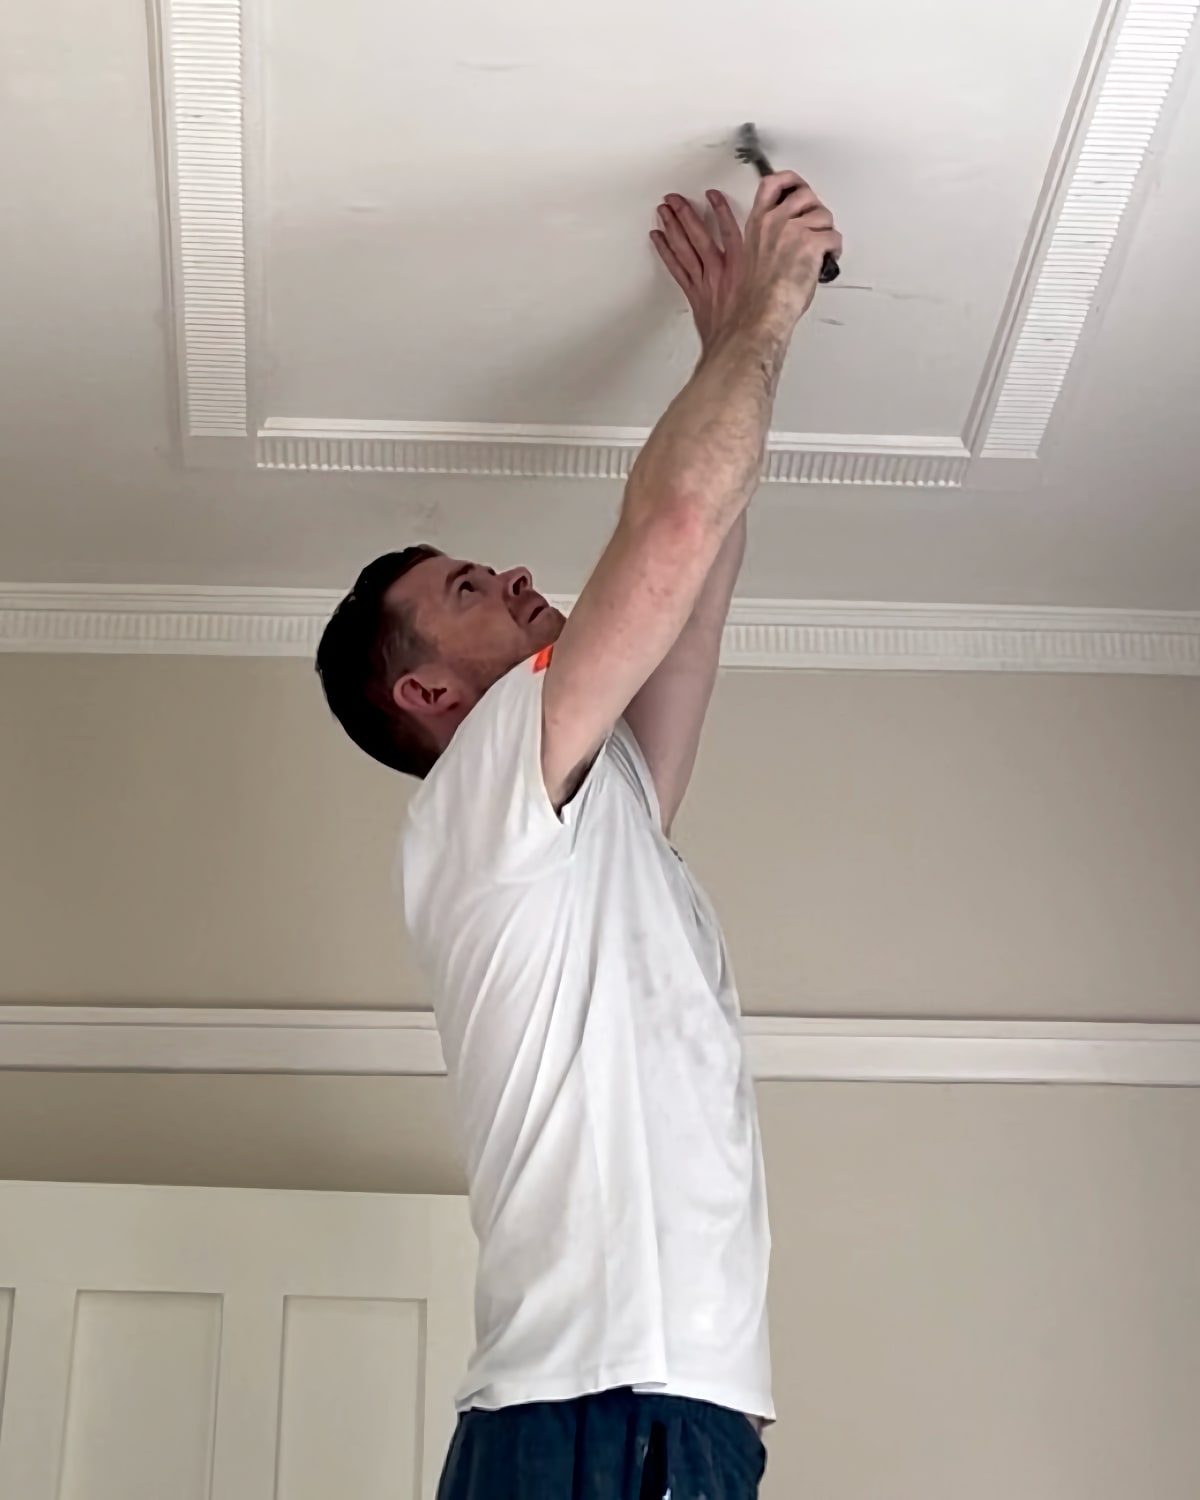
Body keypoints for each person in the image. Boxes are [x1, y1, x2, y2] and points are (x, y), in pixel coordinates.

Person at [316, 171, 842, 1500]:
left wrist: (724, 347)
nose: (514, 578)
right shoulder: (489, 783)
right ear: (431, 696)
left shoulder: (588, 819)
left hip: (644, 1416)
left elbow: (696, 581)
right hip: (611, 1413)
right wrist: (770, 308)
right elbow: (669, 531)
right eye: (469, 590)